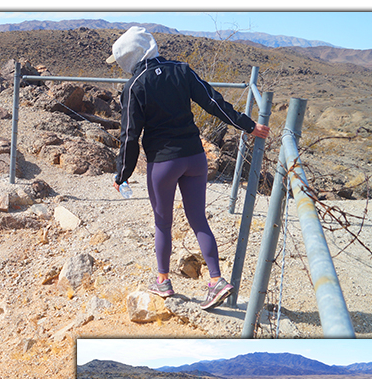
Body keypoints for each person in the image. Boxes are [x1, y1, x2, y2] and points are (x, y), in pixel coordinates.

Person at [107, 26, 270, 310]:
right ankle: (217, 281)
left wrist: (122, 175)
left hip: (163, 163)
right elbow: (213, 103)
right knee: (199, 220)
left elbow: (130, 135)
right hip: (195, 157)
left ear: (128, 58)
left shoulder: (134, 86)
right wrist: (248, 125)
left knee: (163, 223)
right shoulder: (182, 69)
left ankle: (163, 281)